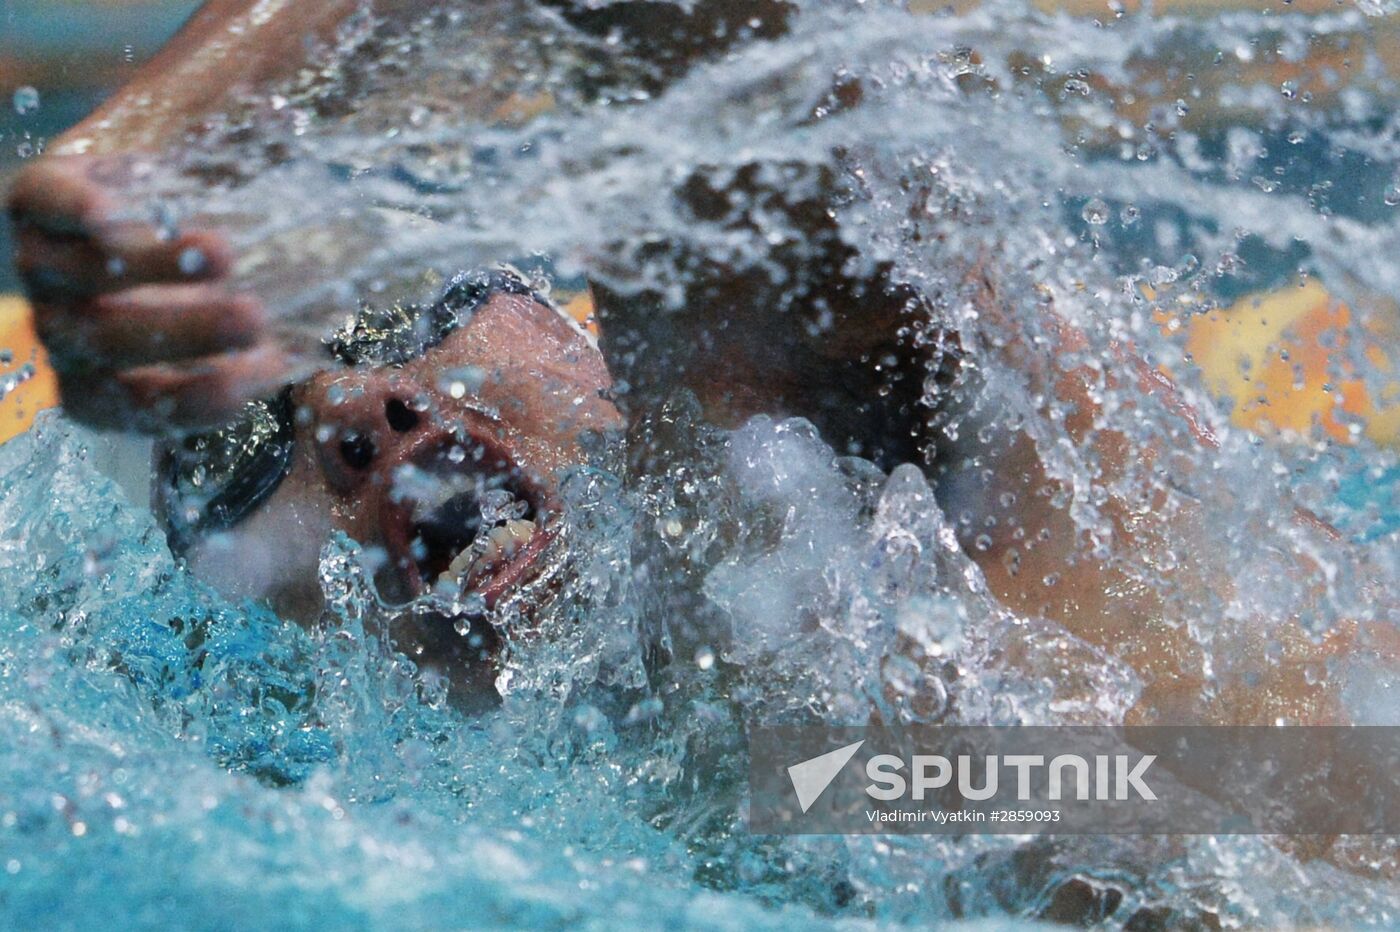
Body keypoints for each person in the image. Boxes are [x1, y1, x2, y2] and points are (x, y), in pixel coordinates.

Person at [7, 0, 1396, 733]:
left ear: (565, 322)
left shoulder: (825, 505)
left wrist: (153, 149)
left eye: (398, 321)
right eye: (260, 449)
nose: (367, 403)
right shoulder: (695, 751)